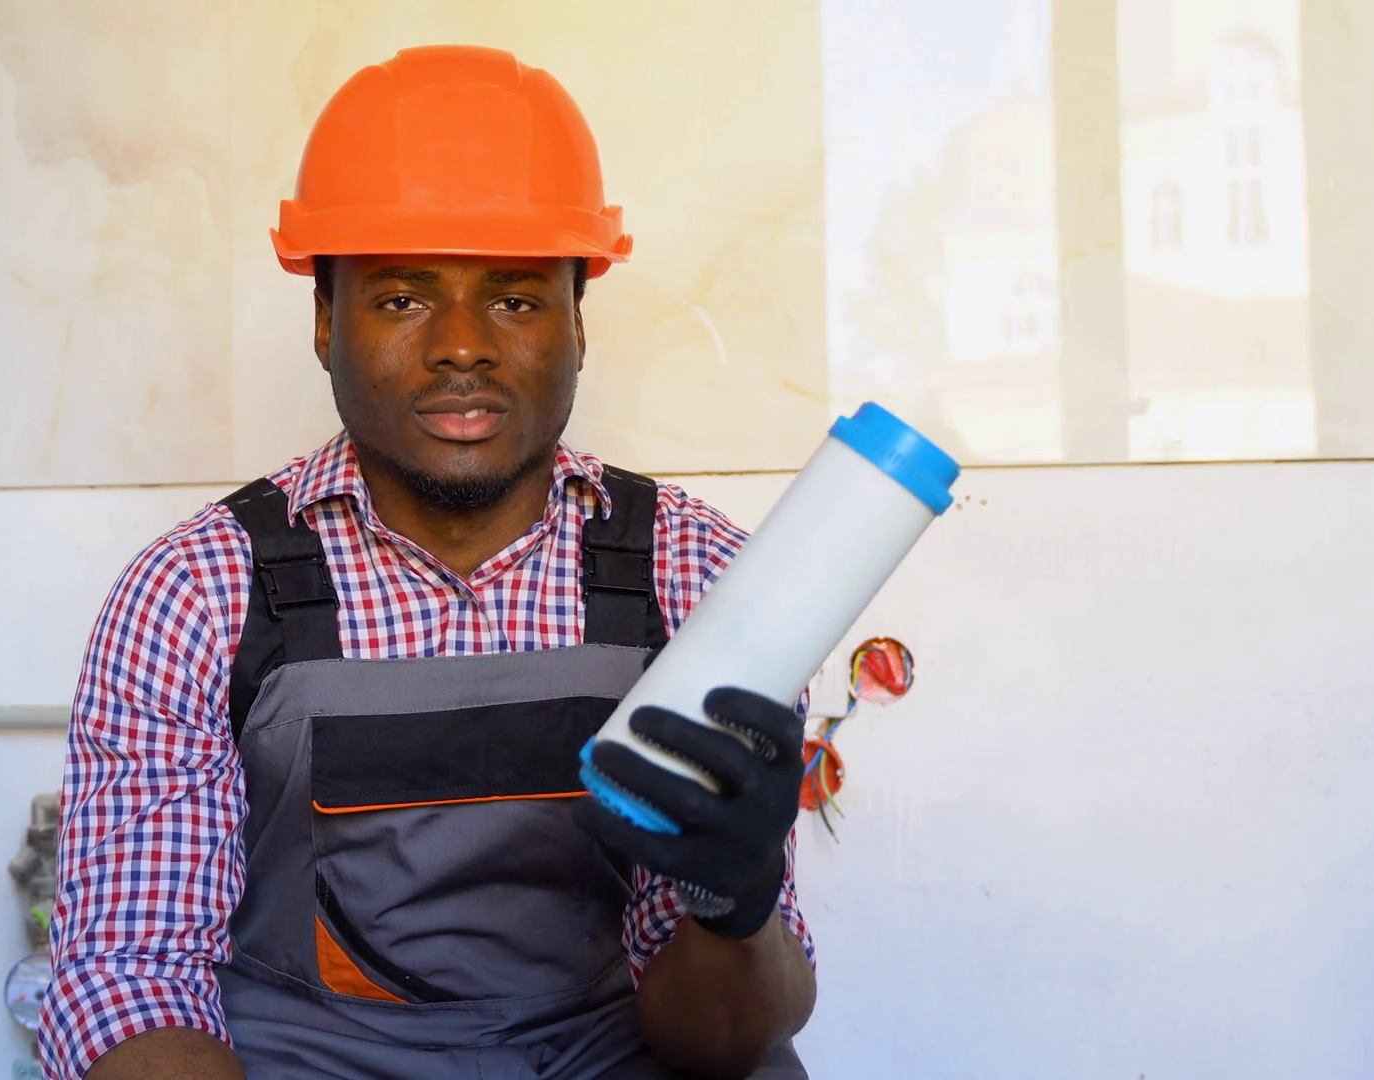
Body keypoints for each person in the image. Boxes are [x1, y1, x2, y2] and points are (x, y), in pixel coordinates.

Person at [40, 45, 817, 1080]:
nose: (461, 345)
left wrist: (736, 902)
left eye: (516, 299)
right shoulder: (197, 594)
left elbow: (723, 1042)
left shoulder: (701, 579)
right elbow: (133, 980)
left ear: (580, 323)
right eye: (404, 298)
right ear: (326, 320)